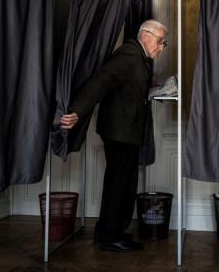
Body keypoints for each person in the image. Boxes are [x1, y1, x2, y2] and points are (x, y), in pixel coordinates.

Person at [60, 20, 168, 251]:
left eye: (164, 43)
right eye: (160, 41)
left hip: (124, 131)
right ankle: (111, 237)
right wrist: (78, 110)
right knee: (121, 184)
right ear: (146, 36)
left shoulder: (139, 58)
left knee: (118, 183)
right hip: (120, 133)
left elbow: (126, 85)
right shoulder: (130, 55)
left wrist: (152, 86)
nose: (161, 47)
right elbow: (101, 81)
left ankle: (107, 232)